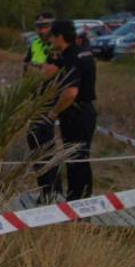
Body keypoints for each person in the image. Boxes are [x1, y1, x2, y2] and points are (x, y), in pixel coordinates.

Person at [43, 20, 98, 201]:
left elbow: (70, 93)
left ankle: (77, 201)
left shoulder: (71, 57)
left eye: (52, 36)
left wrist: (53, 113)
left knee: (75, 160)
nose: (50, 40)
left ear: (60, 37)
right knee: (81, 158)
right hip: (86, 111)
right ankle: (82, 198)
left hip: (76, 113)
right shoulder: (83, 52)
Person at [24, 12, 60, 201]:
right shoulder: (34, 44)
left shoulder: (57, 46)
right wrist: (38, 70)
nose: (41, 30)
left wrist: (36, 69)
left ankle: (52, 189)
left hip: (52, 100)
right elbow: (26, 69)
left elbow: (52, 72)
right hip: (36, 100)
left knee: (46, 145)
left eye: (45, 26)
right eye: (38, 26)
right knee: (35, 144)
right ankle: (46, 188)